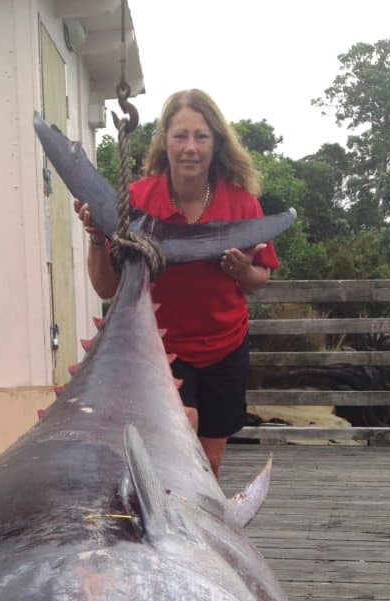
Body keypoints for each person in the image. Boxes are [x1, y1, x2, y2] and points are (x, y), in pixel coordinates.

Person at [74, 88, 278, 479]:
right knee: (164, 466)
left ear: (216, 143)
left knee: (210, 464)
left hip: (224, 348)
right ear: (164, 140)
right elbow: (105, 289)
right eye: (180, 136)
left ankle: (197, 537)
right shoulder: (134, 201)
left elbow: (260, 279)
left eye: (201, 136)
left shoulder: (242, 205)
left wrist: (241, 271)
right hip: (157, 354)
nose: (190, 147)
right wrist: (97, 237)